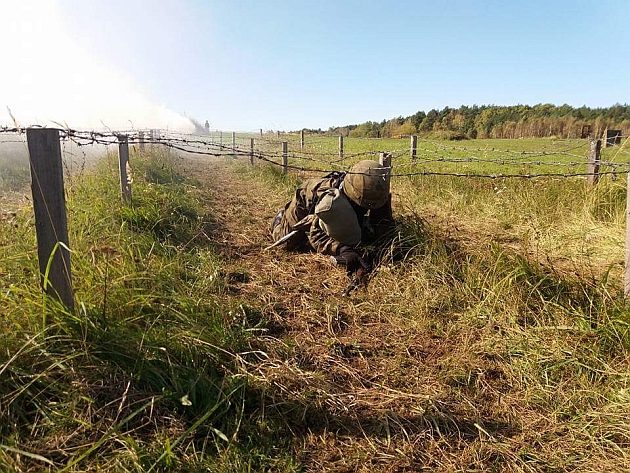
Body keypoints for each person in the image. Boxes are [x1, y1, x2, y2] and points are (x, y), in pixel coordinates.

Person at [269, 160, 394, 274]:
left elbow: (383, 226)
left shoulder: (376, 191)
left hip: (345, 206)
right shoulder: (332, 203)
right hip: (305, 203)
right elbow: (316, 233)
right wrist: (342, 249)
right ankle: (279, 218)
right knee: (288, 244)